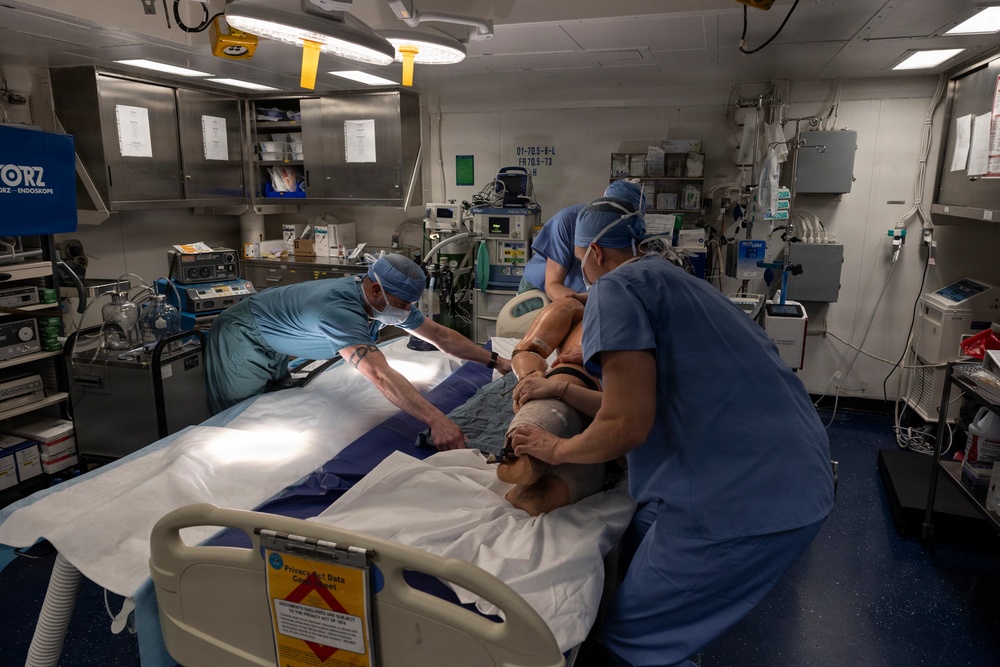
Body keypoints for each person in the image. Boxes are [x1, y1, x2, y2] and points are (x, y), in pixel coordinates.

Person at [508, 186, 835, 667]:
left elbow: (625, 425)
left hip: (745, 499)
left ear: (594, 253)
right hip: (797, 464)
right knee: (639, 525)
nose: (582, 275)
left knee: (635, 641)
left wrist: (555, 448)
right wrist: (561, 389)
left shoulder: (613, 291)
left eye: (580, 262)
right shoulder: (672, 279)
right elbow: (641, 399)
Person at [206, 254, 512, 450]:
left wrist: (498, 361)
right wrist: (437, 420)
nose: (407, 311)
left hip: (277, 343)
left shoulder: (380, 302)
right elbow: (379, 374)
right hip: (243, 336)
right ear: (376, 290)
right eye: (402, 304)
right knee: (241, 421)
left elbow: (439, 335)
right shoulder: (338, 310)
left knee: (268, 404)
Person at [518, 180, 644, 300]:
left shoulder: (631, 229)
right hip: (541, 289)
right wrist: (588, 302)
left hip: (581, 291)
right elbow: (552, 285)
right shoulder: (568, 221)